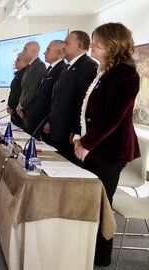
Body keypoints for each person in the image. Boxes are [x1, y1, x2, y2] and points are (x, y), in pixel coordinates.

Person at [74, 22, 141, 267]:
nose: (92, 46)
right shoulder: (104, 71)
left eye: (97, 42)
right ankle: (87, 247)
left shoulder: (126, 73)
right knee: (90, 202)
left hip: (110, 152)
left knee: (102, 204)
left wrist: (87, 143)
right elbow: (88, 111)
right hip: (96, 148)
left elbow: (112, 116)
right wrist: (80, 138)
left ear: (112, 45)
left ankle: (100, 258)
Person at [46, 30, 98, 164]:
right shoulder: (66, 67)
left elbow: (82, 103)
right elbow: (58, 99)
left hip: (70, 135)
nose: (63, 46)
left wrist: (76, 132)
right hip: (57, 130)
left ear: (79, 46)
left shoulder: (89, 66)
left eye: (67, 43)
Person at [33, 40, 67, 141]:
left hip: (48, 121)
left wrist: (50, 120)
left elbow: (57, 98)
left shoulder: (62, 69)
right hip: (41, 120)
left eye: (48, 50)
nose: (44, 52)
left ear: (58, 52)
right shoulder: (50, 69)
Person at [16, 41, 47, 135]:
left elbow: (33, 90)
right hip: (26, 112)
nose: (23, 51)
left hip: (32, 113)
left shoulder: (39, 66)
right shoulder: (30, 66)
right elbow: (24, 89)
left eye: (25, 49)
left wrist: (21, 106)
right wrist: (20, 106)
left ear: (34, 51)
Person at [6, 52, 27, 128]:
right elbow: (12, 92)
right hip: (14, 111)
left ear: (25, 61)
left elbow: (19, 93)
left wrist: (12, 105)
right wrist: (9, 104)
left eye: (18, 60)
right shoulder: (18, 74)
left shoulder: (25, 74)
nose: (15, 62)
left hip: (19, 111)